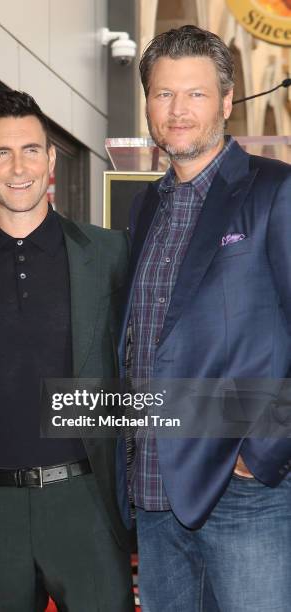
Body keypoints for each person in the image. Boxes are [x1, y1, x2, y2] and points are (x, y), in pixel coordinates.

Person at [0, 90, 135, 611]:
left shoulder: (110, 254)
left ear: (50, 159)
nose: (17, 167)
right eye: (1, 153)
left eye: (30, 150)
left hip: (86, 502)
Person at [116, 25, 291, 611]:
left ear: (226, 99)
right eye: (164, 94)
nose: (178, 110)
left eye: (195, 93)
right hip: (154, 490)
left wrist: (261, 453)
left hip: (243, 490)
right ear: (147, 105)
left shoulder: (275, 192)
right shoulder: (145, 208)